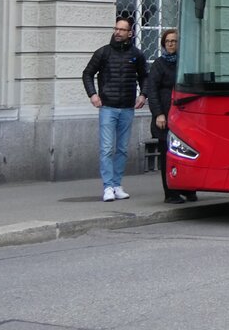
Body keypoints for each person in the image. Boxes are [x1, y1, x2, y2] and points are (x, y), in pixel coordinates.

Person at [82, 15, 147, 202]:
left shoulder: (136, 54)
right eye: (116, 29)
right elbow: (87, 73)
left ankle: (117, 185)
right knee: (106, 149)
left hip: (127, 107)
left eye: (122, 30)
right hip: (108, 107)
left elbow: (145, 76)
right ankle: (108, 186)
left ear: (130, 33)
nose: (117, 32)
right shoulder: (103, 53)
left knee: (123, 149)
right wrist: (93, 95)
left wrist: (143, 94)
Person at [145, 28, 197, 204]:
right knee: (167, 154)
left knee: (187, 152)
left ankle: (187, 188)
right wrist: (159, 114)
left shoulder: (184, 63)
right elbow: (152, 91)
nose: (170, 44)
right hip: (164, 116)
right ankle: (170, 192)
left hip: (183, 115)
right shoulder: (159, 64)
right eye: (167, 42)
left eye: (173, 41)